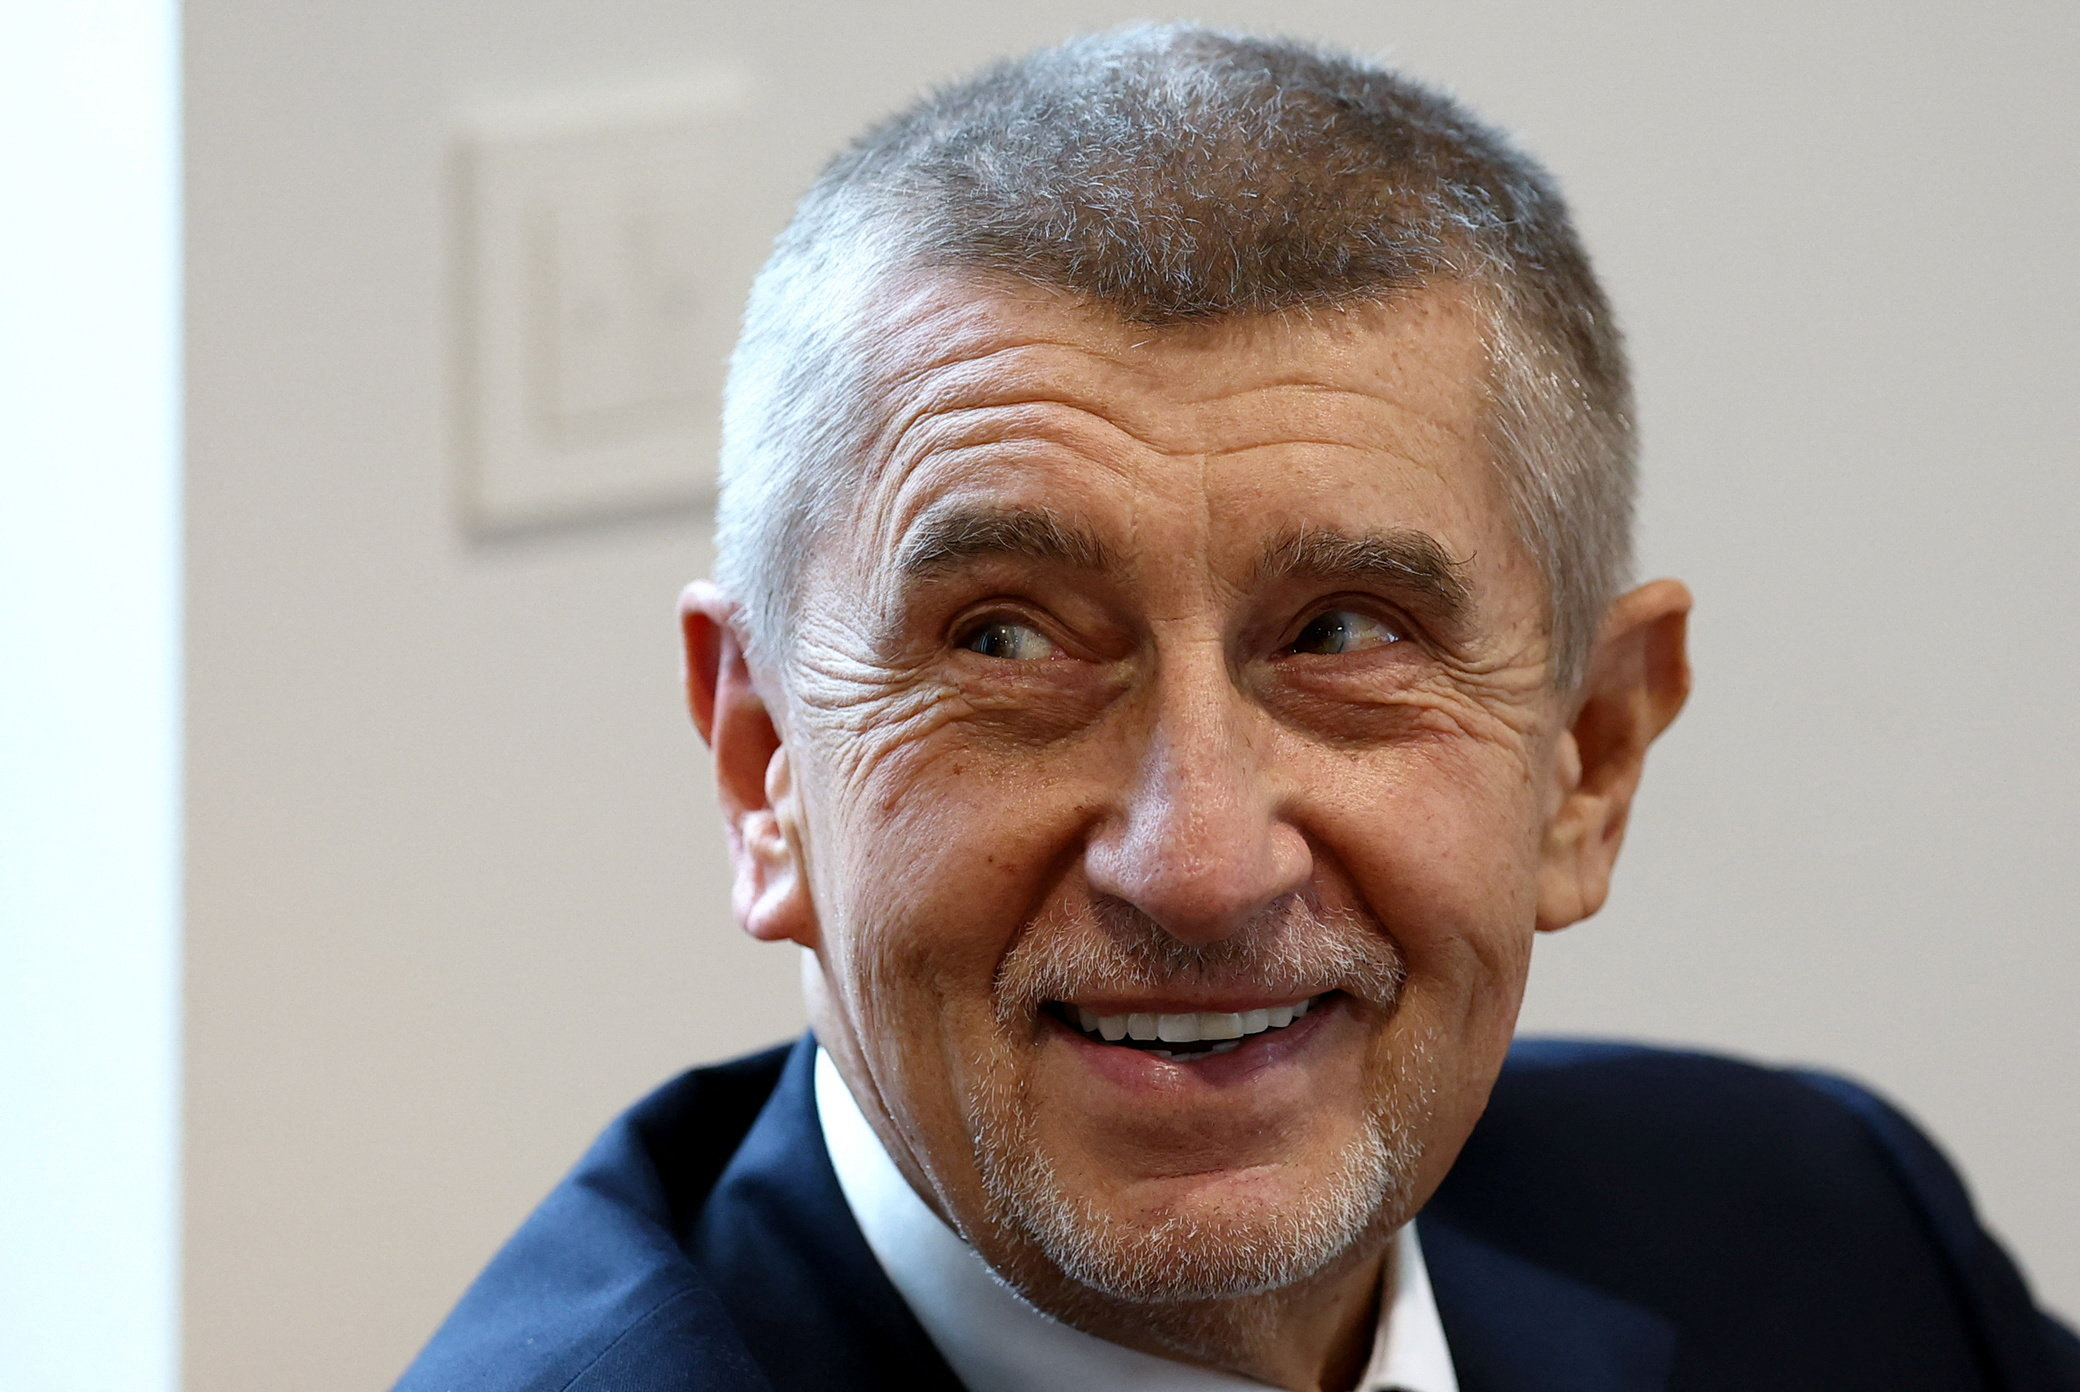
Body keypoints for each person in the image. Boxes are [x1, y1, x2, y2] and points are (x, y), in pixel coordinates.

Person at [396, 25, 2079, 1392]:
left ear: (1592, 756)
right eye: (1007, 642)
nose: (1197, 866)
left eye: (1345, 633)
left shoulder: (1833, 1243)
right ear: (764, 764)